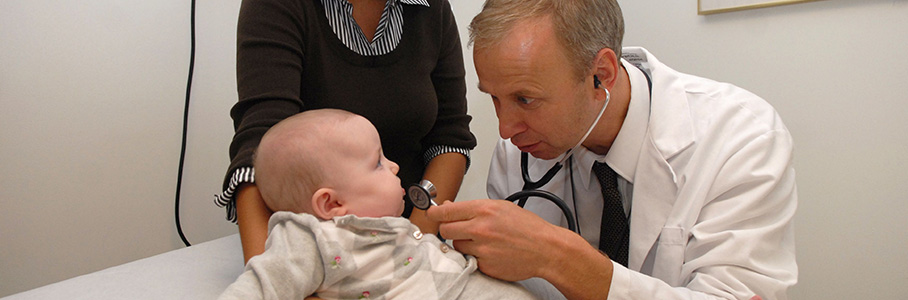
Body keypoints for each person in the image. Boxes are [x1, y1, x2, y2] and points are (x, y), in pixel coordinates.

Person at [426, 0, 798, 299]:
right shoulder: (520, 153)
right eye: (494, 98)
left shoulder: (742, 139)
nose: (506, 130)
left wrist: (558, 257)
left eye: (525, 99)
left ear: (601, 74)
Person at [215, 0, 477, 264]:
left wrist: (411, 244)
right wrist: (276, 273)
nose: (393, 167)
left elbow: (449, 138)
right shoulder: (277, 6)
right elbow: (258, 148)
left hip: (413, 236)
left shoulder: (432, 8)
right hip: (316, 254)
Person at [218, 109, 536, 300]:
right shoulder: (313, 240)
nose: (395, 166)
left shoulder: (392, 229)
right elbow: (258, 288)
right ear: (331, 203)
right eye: (378, 164)